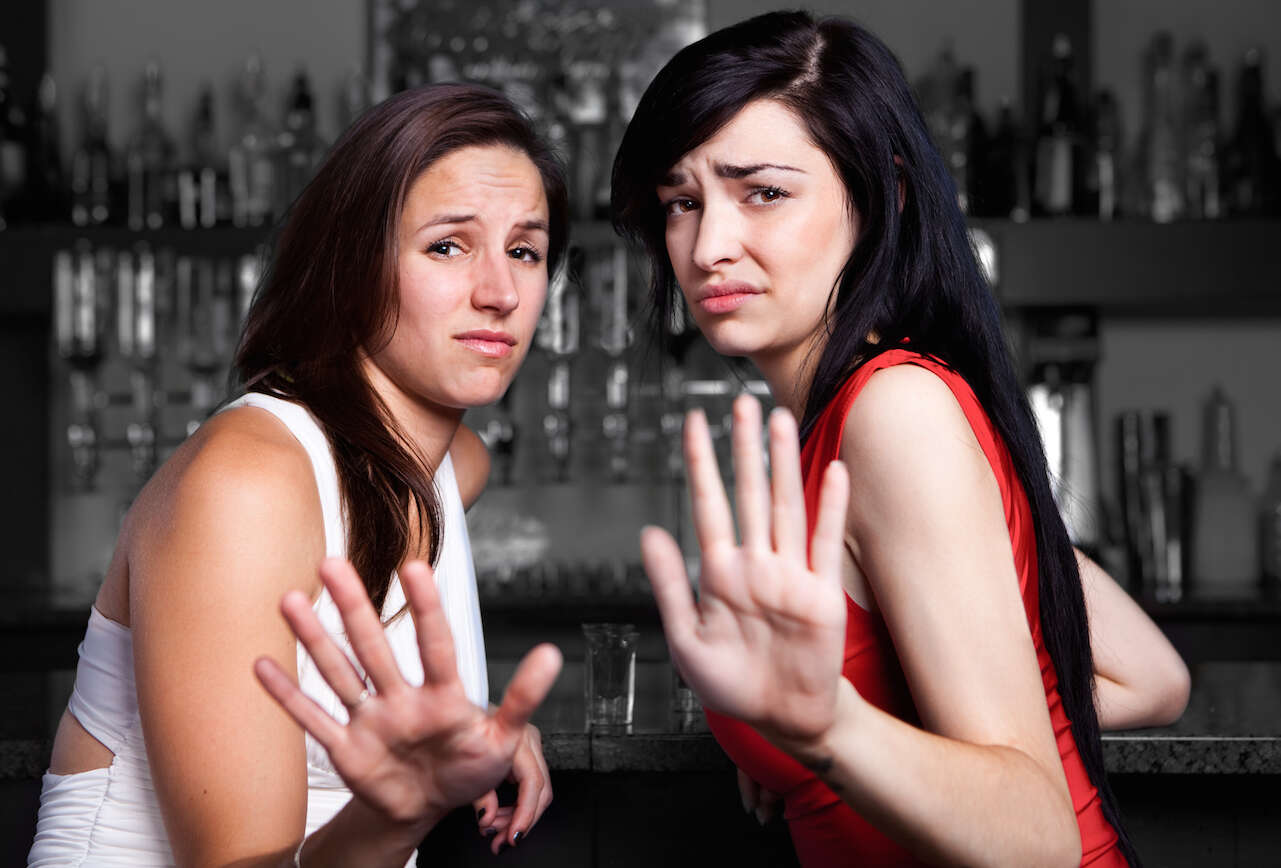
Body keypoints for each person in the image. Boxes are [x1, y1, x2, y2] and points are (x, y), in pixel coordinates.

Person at [613, 12, 1190, 867]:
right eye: (681, 203)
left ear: (883, 196)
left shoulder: (894, 415)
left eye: (762, 192)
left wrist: (828, 733)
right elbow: (1150, 677)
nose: (707, 247)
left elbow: (1037, 840)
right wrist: (868, 749)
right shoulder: (854, 415)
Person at [29, 83, 567, 867]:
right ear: (351, 267)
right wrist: (398, 813)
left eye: (524, 250)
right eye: (447, 246)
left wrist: (469, 729)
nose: (500, 293)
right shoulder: (247, 485)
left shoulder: (451, 466)